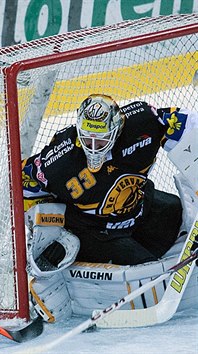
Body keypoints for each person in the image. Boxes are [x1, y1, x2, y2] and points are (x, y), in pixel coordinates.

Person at [21, 94, 197, 323]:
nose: (94, 149)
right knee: (146, 269)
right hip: (97, 230)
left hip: (139, 207)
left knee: (177, 212)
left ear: (117, 129)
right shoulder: (59, 159)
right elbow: (25, 184)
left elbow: (184, 123)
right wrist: (48, 234)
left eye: (101, 141)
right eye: (88, 140)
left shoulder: (142, 123)